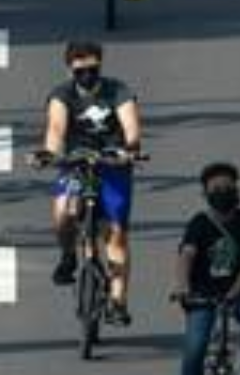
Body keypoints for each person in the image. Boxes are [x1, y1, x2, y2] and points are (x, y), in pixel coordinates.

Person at [43, 41, 143, 319]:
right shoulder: (62, 94)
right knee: (62, 212)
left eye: (92, 69)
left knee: (116, 234)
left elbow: (131, 126)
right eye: (80, 71)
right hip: (76, 164)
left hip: (113, 164)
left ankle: (118, 301)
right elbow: (56, 128)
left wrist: (130, 148)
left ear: (100, 65)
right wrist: (49, 153)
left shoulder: (118, 90)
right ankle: (68, 256)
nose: (87, 75)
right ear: (69, 70)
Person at [174, 161, 240, 375]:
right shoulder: (199, 223)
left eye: (228, 187)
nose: (223, 193)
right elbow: (186, 255)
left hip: (239, 295)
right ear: (205, 194)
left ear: (237, 190)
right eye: (216, 189)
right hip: (203, 297)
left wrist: (233, 295)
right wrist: (183, 287)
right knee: (195, 347)